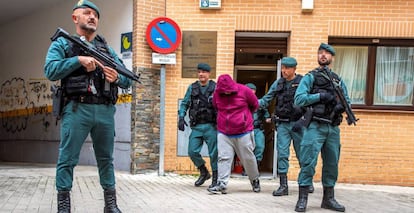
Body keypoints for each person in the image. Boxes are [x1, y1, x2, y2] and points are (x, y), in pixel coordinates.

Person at [44, 1, 131, 212]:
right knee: (67, 159)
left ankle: (111, 205)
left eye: (95, 15)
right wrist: (78, 61)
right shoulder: (64, 44)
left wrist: (117, 77)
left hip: (104, 111)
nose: (92, 17)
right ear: (75, 18)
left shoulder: (107, 49)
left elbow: (128, 80)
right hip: (77, 109)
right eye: (87, 13)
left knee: (105, 160)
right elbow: (50, 70)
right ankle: (64, 207)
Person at [293, 43, 349, 212]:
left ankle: (328, 199)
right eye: (320, 52)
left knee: (332, 163)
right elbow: (299, 99)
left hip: (332, 128)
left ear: (332, 57)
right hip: (315, 126)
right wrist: (320, 96)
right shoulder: (311, 77)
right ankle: (302, 198)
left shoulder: (338, 80)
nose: (323, 55)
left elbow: (346, 99)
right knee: (308, 162)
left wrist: (341, 107)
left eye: (327, 53)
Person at [259, 57, 314, 196]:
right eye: (282, 67)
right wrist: (252, 103)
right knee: (282, 154)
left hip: (298, 124)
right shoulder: (278, 83)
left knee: (302, 154)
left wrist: (304, 120)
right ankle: (283, 185)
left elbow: (310, 104)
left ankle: (307, 181)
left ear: (294, 69)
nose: (284, 71)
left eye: (287, 68)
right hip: (282, 124)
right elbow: (267, 99)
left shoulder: (302, 82)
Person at [207, 74, 260, 194]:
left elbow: (255, 105)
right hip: (224, 132)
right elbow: (216, 107)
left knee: (248, 158)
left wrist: (244, 118)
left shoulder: (244, 91)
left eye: (228, 91)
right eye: (223, 91)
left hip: (244, 131)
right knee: (223, 158)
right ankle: (222, 184)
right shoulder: (217, 94)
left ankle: (255, 180)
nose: (226, 93)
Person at [178, 63, 218, 187]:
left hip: (211, 126)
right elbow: (185, 103)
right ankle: (204, 171)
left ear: (209, 74)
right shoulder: (192, 87)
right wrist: (181, 116)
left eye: (204, 72)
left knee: (214, 154)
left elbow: (222, 105)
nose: (201, 74)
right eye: (199, 72)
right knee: (192, 151)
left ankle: (215, 179)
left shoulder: (215, 87)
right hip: (197, 126)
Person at [245, 83, 271, 170]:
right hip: (245, 130)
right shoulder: (241, 102)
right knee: (246, 149)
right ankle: (247, 169)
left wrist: (267, 118)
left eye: (252, 90)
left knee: (260, 147)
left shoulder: (259, 103)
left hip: (258, 129)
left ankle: (255, 169)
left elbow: (266, 113)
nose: (251, 92)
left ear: (255, 91)